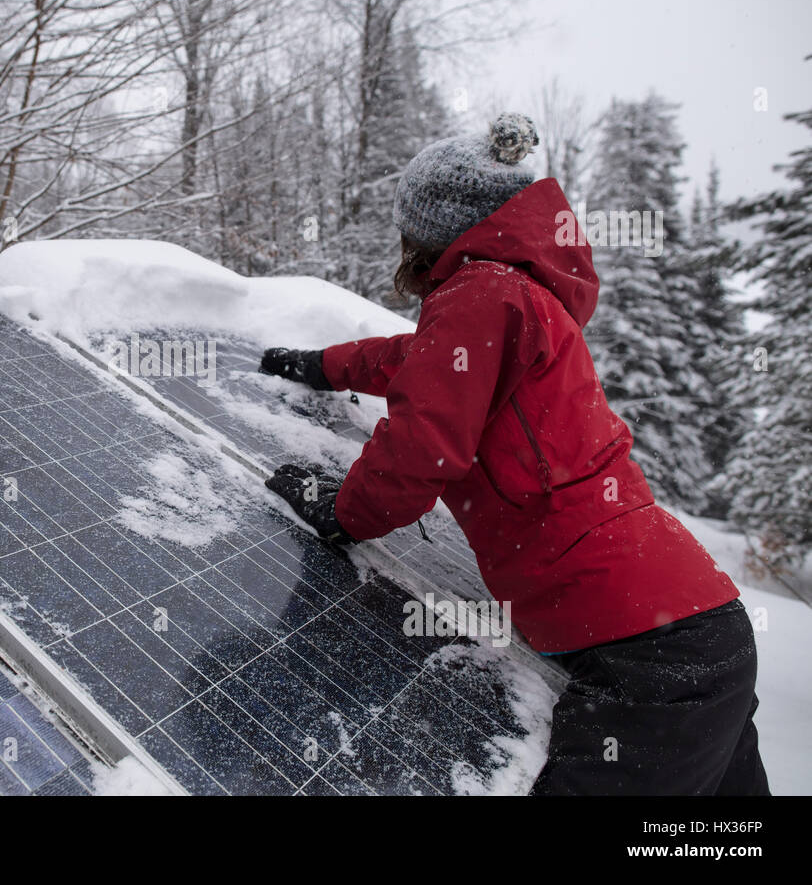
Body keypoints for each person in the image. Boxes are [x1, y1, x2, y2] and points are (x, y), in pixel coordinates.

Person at [261, 113, 769, 795]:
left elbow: (421, 449)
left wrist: (342, 513)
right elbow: (419, 366)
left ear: (432, 227)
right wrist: (321, 365)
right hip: (692, 626)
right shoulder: (517, 297)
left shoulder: (481, 295)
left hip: (649, 653)